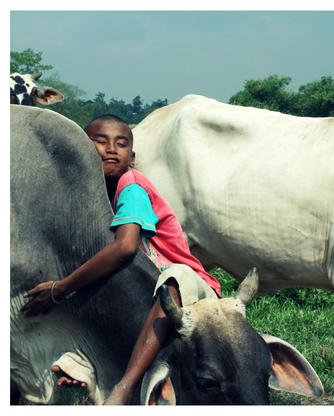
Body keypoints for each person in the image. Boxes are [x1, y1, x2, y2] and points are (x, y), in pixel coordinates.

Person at [21, 114, 221, 404]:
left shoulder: (132, 186)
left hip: (189, 286)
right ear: (82, 151)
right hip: (145, 289)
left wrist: (60, 289)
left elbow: (125, 248)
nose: (111, 148)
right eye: (100, 142)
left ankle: (125, 387)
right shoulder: (97, 193)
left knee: (167, 283)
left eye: (121, 144)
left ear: (133, 158)